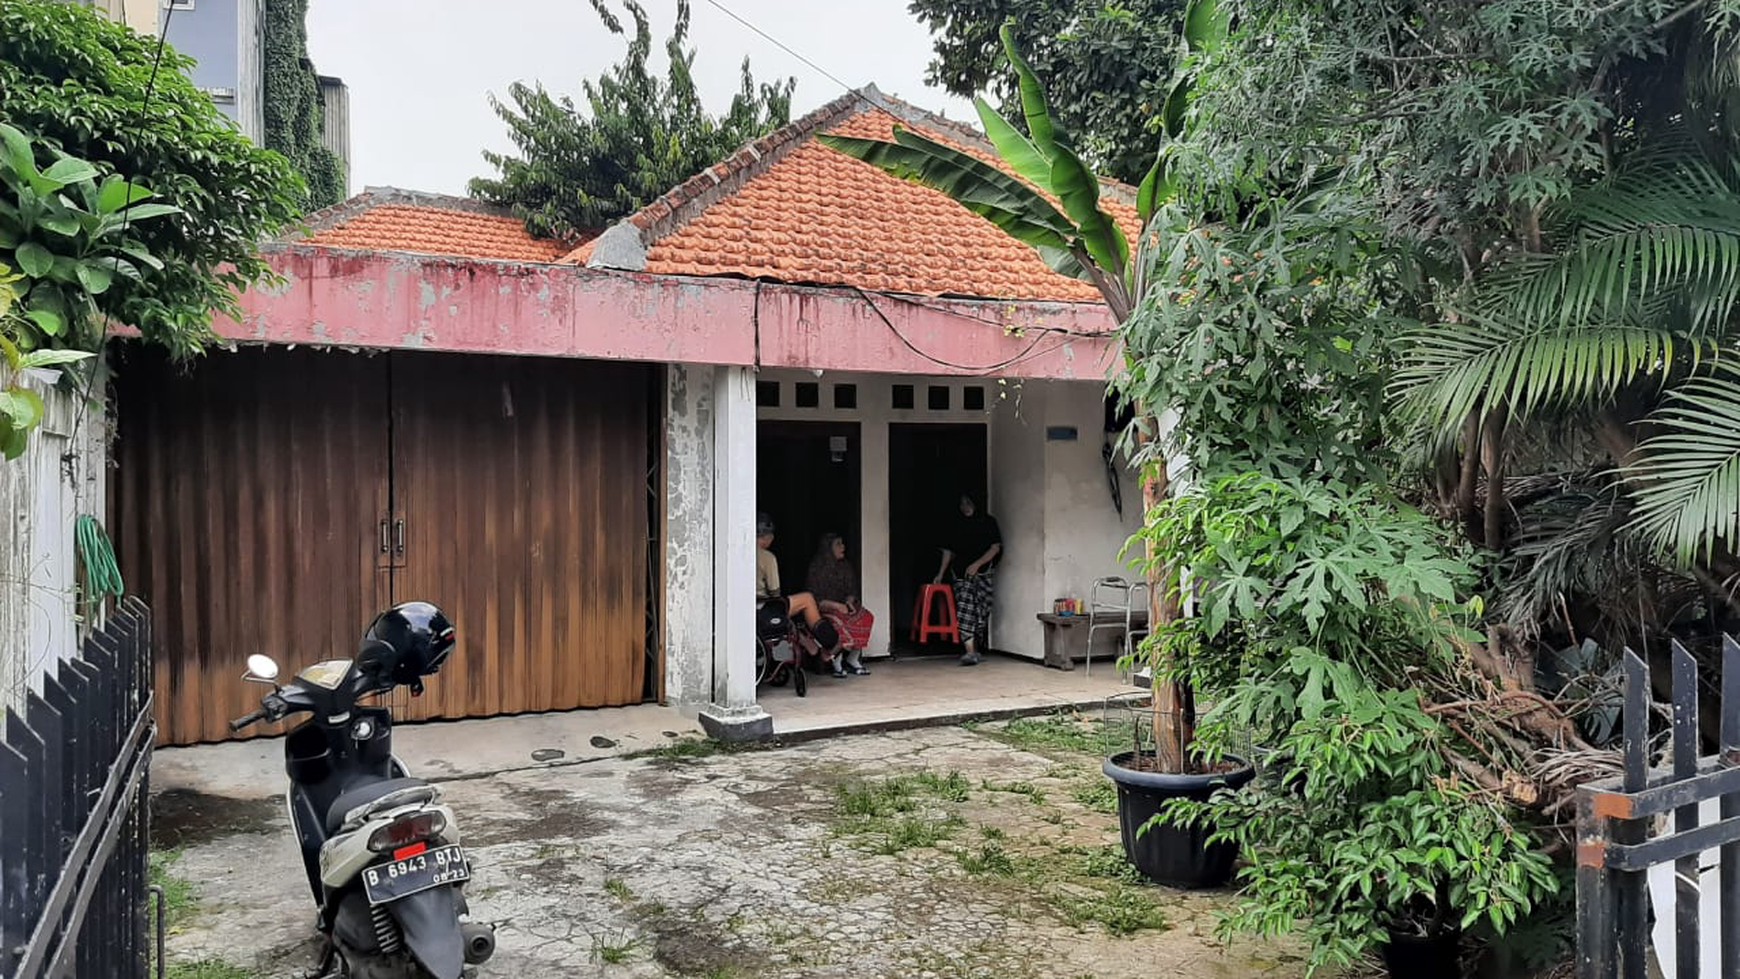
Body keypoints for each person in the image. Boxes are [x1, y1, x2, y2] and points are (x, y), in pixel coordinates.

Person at [756, 513, 846, 677]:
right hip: (764, 608)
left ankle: (811, 647)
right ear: (767, 536)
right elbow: (775, 590)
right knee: (807, 599)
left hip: (750, 607)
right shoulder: (766, 557)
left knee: (791, 613)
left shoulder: (738, 552)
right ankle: (831, 641)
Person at [933, 493, 1002, 666]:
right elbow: (948, 552)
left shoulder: (988, 522)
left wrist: (977, 565)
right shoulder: (955, 525)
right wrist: (940, 574)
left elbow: (995, 548)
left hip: (984, 573)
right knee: (965, 611)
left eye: (968, 502)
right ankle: (970, 652)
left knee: (982, 609)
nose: (964, 506)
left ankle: (975, 649)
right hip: (961, 574)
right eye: (962, 503)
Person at [806, 532, 873, 675]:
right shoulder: (817, 568)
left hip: (843, 606)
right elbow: (814, 598)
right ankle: (836, 660)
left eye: (842, 543)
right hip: (824, 608)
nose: (843, 547)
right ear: (828, 548)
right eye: (838, 544)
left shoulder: (845, 566)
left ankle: (852, 659)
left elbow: (851, 590)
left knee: (866, 616)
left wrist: (849, 602)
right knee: (840, 622)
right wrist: (835, 606)